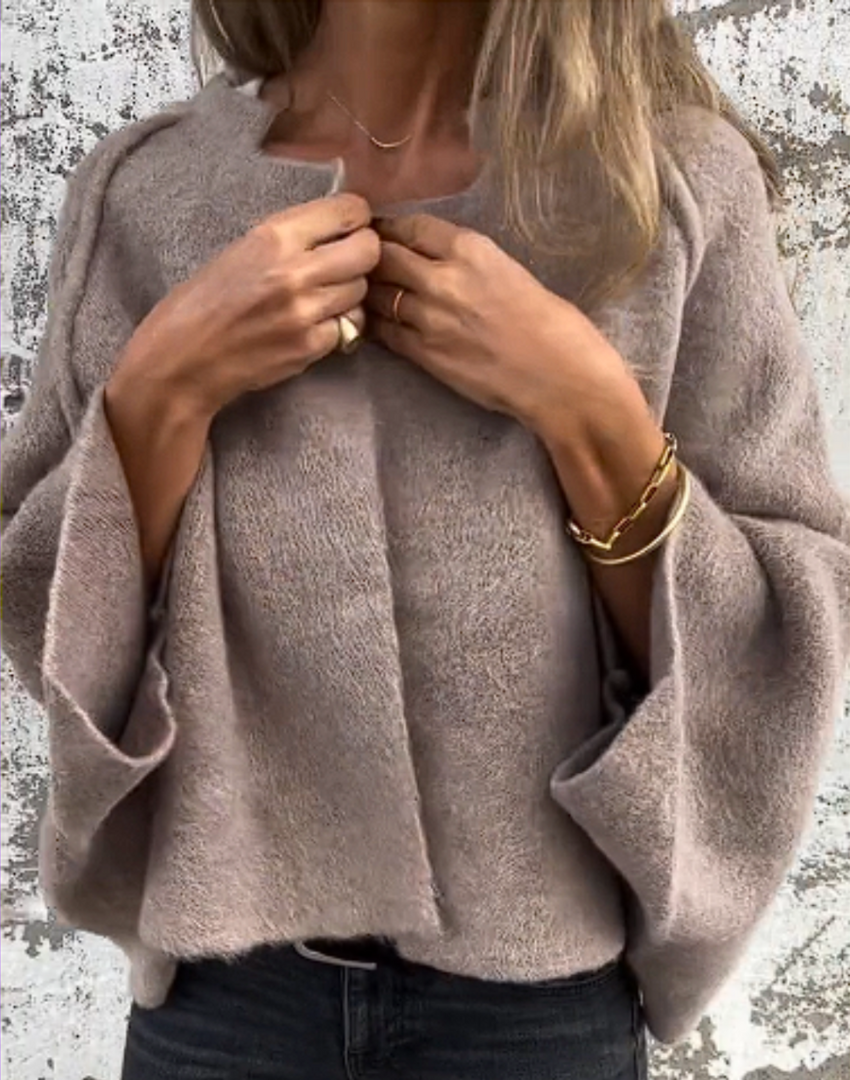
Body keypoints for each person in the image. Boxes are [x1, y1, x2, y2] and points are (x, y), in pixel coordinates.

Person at [2, 1, 849, 1077]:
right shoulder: (148, 192)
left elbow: (787, 639)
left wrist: (589, 411)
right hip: (222, 1004)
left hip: (536, 1013)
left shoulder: (662, 187)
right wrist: (160, 394)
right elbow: (43, 616)